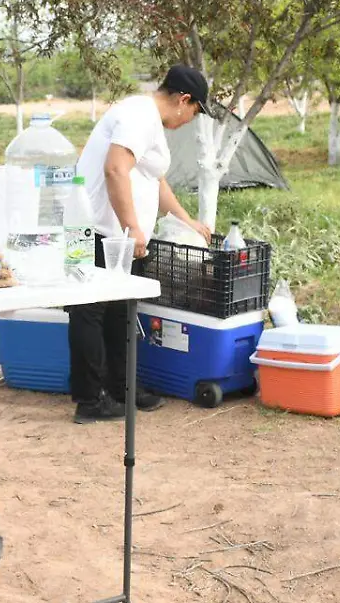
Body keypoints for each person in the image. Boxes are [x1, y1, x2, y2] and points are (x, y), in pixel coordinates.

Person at [68, 65, 213, 424]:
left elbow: (154, 178)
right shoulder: (139, 116)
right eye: (194, 112)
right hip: (94, 229)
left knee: (120, 311)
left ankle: (122, 389)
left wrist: (186, 220)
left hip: (113, 233)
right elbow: (115, 168)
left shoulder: (146, 118)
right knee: (89, 312)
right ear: (184, 100)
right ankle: (90, 399)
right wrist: (132, 227)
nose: (190, 120)